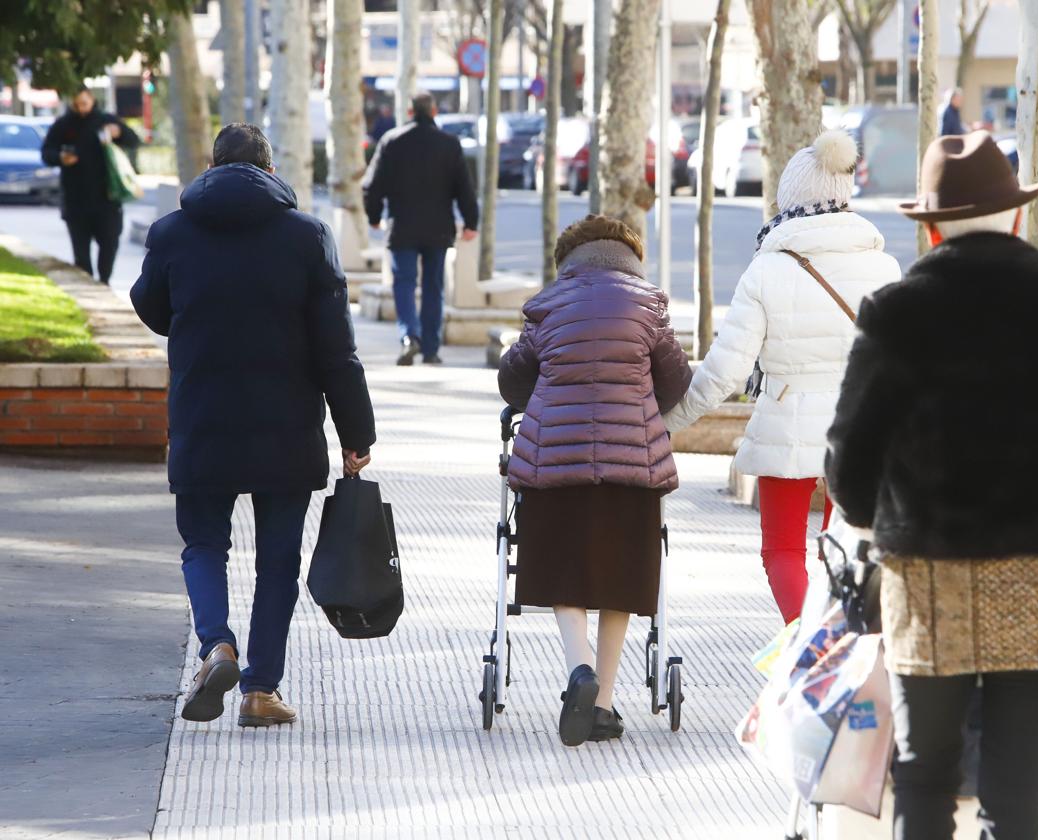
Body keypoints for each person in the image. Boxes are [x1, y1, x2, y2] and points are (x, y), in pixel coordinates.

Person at [824, 131, 1038, 839]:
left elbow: (850, 456)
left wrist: (878, 524)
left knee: (925, 775)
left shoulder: (896, 312)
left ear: (930, 227)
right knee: (1017, 793)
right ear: (1018, 217)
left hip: (931, 577)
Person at [130, 124, 376, 728]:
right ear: (269, 170)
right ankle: (261, 692)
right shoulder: (307, 236)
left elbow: (150, 307)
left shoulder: (171, 233)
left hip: (201, 416)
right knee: (277, 562)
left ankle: (217, 645)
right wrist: (356, 432)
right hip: (286, 426)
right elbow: (336, 351)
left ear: (213, 167)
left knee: (204, 544)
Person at [663, 130, 900, 625]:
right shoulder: (884, 266)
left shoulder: (768, 269)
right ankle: (847, 655)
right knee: (849, 552)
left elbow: (725, 370)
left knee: (783, 551)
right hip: (863, 431)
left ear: (789, 197)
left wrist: (666, 423)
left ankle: (804, 653)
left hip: (786, 423)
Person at [497, 214, 692, 747]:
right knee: (619, 579)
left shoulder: (549, 305)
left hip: (554, 464)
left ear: (569, 261)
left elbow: (513, 381)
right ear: (630, 258)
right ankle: (602, 703)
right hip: (633, 466)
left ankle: (578, 669)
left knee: (563, 569)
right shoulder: (649, 305)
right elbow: (676, 383)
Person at [363, 91, 478, 366]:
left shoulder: (392, 141)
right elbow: (464, 188)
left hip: (402, 226)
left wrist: (375, 216)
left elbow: (372, 185)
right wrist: (471, 222)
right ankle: (430, 348)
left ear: (410, 112)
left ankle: (408, 336)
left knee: (403, 283)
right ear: (434, 112)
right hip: (438, 228)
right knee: (433, 286)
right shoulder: (449, 144)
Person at [40, 86, 140, 285]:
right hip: (76, 201)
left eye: (84, 104)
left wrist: (118, 132)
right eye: (76, 105)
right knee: (81, 255)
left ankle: (104, 281)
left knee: (109, 245)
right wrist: (60, 157)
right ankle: (87, 285)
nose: (81, 109)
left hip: (107, 200)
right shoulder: (63, 124)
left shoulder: (106, 120)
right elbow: (46, 153)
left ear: (92, 100)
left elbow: (133, 140)